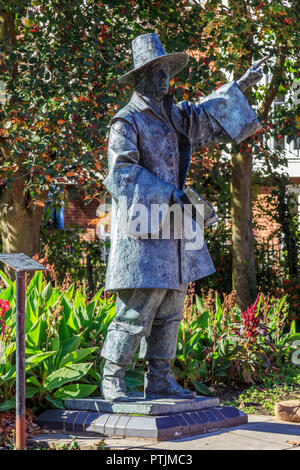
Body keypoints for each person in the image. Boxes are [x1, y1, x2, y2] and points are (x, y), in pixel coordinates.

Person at [101, 33, 265, 401]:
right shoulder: (125, 122)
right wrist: (171, 194)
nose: (165, 77)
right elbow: (122, 175)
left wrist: (240, 86)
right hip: (142, 230)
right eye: (157, 71)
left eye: (167, 70)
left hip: (175, 228)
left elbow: (206, 113)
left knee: (172, 307)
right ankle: (112, 378)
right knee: (138, 308)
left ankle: (159, 378)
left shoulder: (173, 115)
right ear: (141, 76)